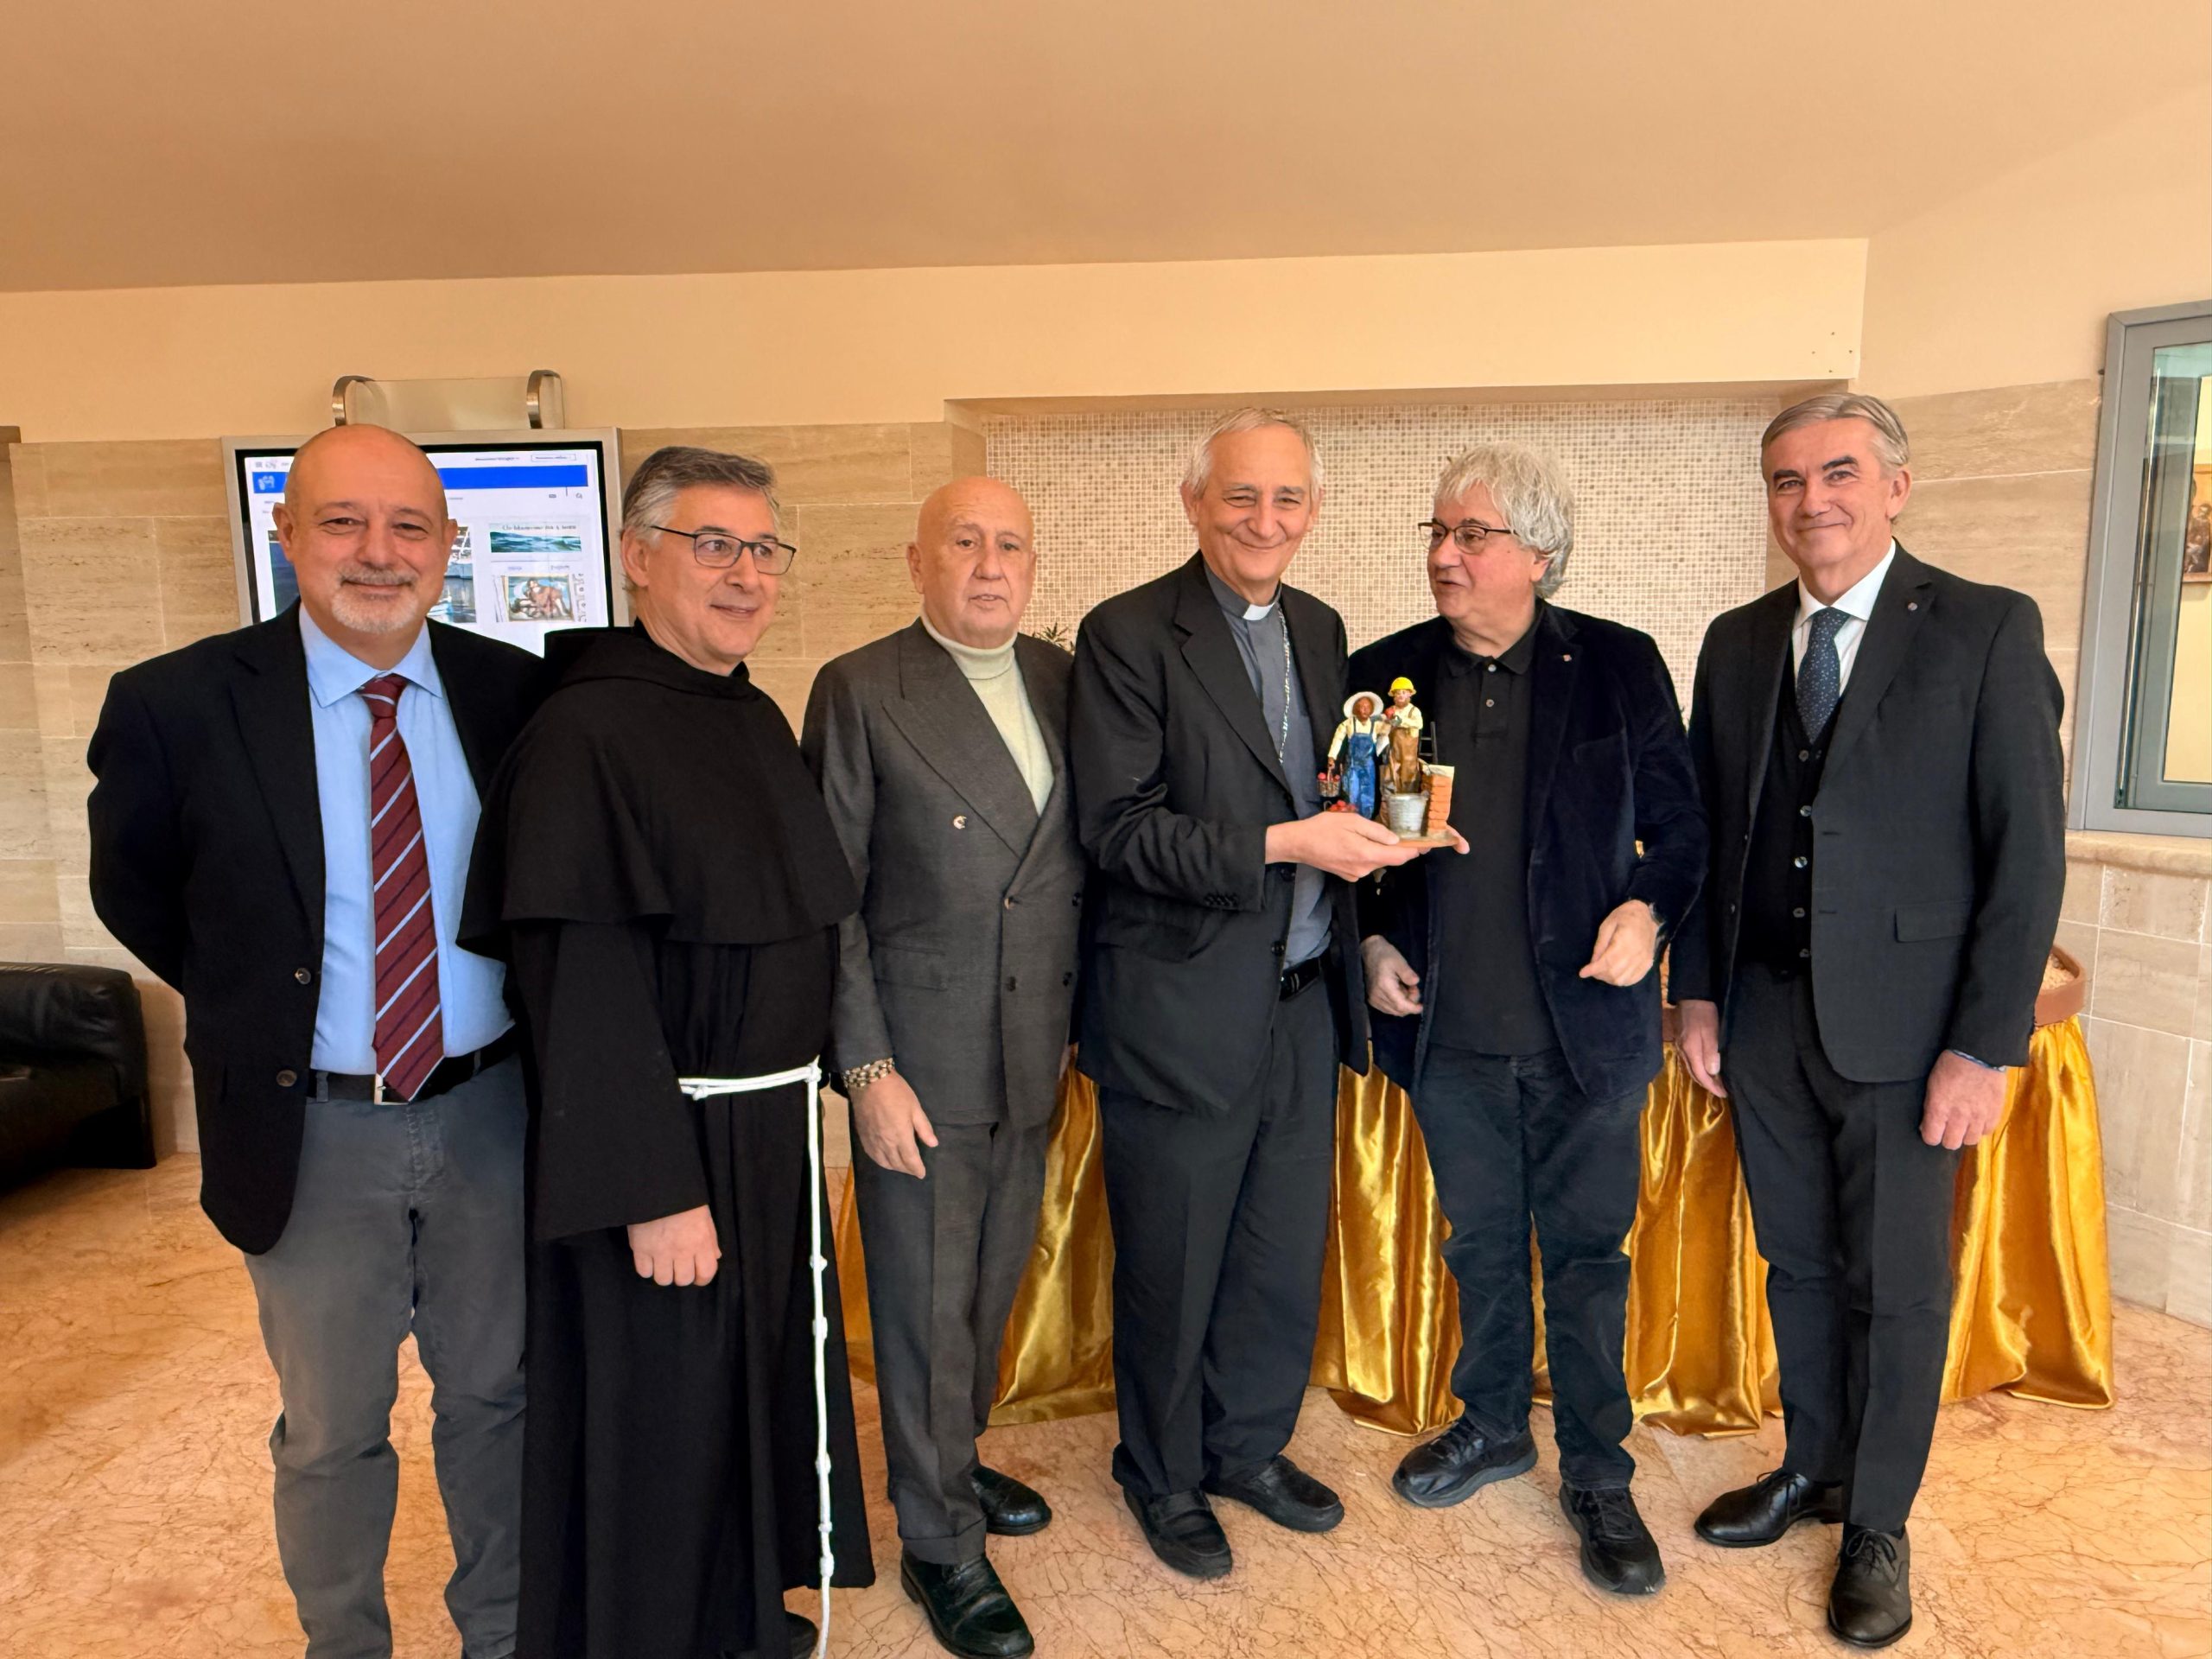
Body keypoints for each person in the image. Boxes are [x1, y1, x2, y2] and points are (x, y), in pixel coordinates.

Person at [86, 423, 543, 1657]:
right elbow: (137, 892)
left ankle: (502, 1636)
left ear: (448, 545)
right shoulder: (177, 704)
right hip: (311, 1129)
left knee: (498, 1399)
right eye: (343, 521)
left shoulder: (516, 696)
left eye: (409, 526)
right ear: (286, 534)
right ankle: (344, 1644)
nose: (377, 552)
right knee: (333, 1429)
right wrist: (270, 1015)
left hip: (493, 1113)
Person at [461, 445, 875, 1659]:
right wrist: (654, 1192)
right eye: (714, 546)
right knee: (665, 1417)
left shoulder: (745, 710)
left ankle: (736, 1620)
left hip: (764, 1129)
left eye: (764, 550)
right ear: (638, 558)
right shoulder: (587, 732)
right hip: (668, 1147)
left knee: (741, 1396)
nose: (746, 575)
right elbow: (582, 985)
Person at [1671, 393, 2064, 1648]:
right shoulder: (1737, 643)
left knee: (1895, 1284)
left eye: (1837, 473)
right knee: (1796, 1263)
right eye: (1787, 481)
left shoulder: (1986, 627)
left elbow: (2025, 860)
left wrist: (1983, 1045)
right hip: (1764, 1020)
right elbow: (1709, 836)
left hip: (1910, 1033)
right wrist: (1696, 990)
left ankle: (1879, 1522)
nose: (1812, 501)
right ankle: (1814, 1467)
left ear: (1895, 487)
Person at [1068, 407, 1434, 1581]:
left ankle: (1246, 1447)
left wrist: (1374, 900)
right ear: (1195, 503)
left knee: (1278, 1257)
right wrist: (1287, 844)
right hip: (1178, 1010)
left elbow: (1340, 798)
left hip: (1301, 1001)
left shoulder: (1323, 629)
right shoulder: (1127, 633)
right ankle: (1160, 1471)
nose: (1263, 520)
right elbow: (1119, 831)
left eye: (1286, 499)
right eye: (1240, 496)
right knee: (1174, 1264)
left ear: (1313, 511)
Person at [1352, 442, 1706, 1597]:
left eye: (1474, 534)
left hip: (1585, 1035)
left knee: (1589, 1260)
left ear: (1539, 555)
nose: (1446, 555)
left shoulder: (1617, 663)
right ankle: (1495, 1423)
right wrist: (1370, 941)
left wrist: (1649, 910)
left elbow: (1684, 829)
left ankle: (1598, 1473)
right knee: (1481, 1246)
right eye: (1438, 533)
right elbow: (1348, 843)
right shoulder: (1380, 679)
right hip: (1446, 1031)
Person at [802, 477, 1082, 1659]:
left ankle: (950, 1466)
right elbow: (831, 899)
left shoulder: (1065, 680)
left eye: (1009, 544)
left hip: (1035, 1049)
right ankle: (937, 1542)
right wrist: (866, 1068)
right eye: (963, 542)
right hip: (920, 1061)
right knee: (923, 1308)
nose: (988, 564)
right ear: (917, 562)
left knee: (985, 1291)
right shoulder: (862, 688)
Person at [1326, 691, 1385, 818]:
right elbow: (1338, 739)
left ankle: (1366, 818)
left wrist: (1388, 720)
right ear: (1356, 709)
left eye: (1368, 707)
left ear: (1372, 710)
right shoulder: (1348, 724)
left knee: (1368, 792)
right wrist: (1332, 757)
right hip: (1352, 765)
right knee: (1352, 791)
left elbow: (1387, 731)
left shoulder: (1376, 725)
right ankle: (1352, 818)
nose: (1365, 709)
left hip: (1368, 765)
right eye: (1362, 706)